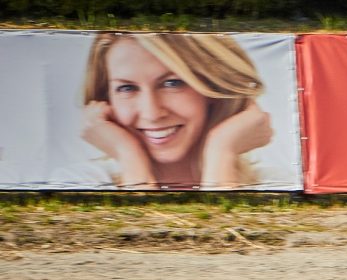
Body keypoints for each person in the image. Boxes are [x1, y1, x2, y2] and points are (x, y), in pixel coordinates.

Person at [67, 32, 274, 189]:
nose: (152, 113)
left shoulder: (272, 183)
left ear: (212, 88)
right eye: (127, 88)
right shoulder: (80, 184)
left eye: (172, 83)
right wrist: (129, 157)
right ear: (106, 99)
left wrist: (221, 153)